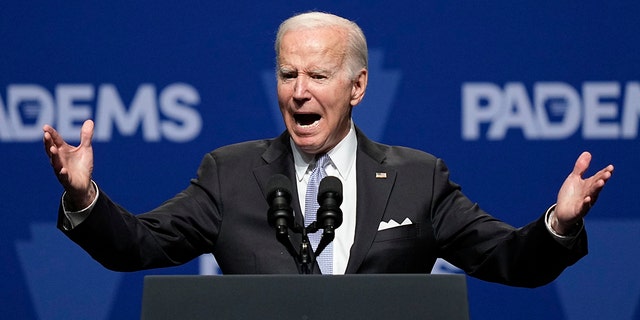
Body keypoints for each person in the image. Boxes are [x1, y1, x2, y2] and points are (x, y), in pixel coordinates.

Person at [43, 11, 613, 287]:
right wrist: (85, 197)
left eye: (318, 75)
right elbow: (140, 245)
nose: (299, 92)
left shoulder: (420, 178)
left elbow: (509, 259)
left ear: (358, 86)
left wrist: (559, 224)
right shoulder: (230, 174)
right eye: (287, 74)